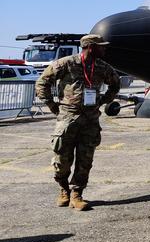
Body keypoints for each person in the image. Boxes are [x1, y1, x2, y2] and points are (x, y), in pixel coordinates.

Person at [35, 34, 120, 211]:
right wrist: (52, 105)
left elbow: (115, 84)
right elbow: (42, 82)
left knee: (85, 158)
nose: (104, 49)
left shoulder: (102, 67)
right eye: (101, 46)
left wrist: (102, 100)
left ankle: (77, 193)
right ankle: (63, 189)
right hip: (68, 117)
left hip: (90, 119)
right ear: (90, 47)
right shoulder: (66, 63)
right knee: (61, 158)